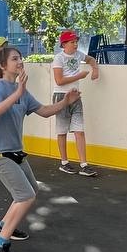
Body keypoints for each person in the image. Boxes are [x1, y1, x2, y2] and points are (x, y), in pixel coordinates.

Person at [0, 45, 81, 252]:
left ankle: (3, 225)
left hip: (14, 150)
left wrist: (66, 102)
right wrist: (17, 92)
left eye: (20, 58)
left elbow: (45, 110)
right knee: (25, 196)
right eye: (15, 59)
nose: (20, 62)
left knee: (31, 190)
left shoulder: (23, 92)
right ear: (2, 65)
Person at [51, 29, 100, 175]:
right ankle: (64, 162)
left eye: (76, 41)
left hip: (76, 97)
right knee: (62, 130)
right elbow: (59, 80)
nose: (75, 44)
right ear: (64, 44)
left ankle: (84, 164)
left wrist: (95, 69)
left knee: (79, 130)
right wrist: (79, 76)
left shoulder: (79, 55)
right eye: (72, 42)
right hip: (61, 96)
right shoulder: (59, 58)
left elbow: (91, 59)